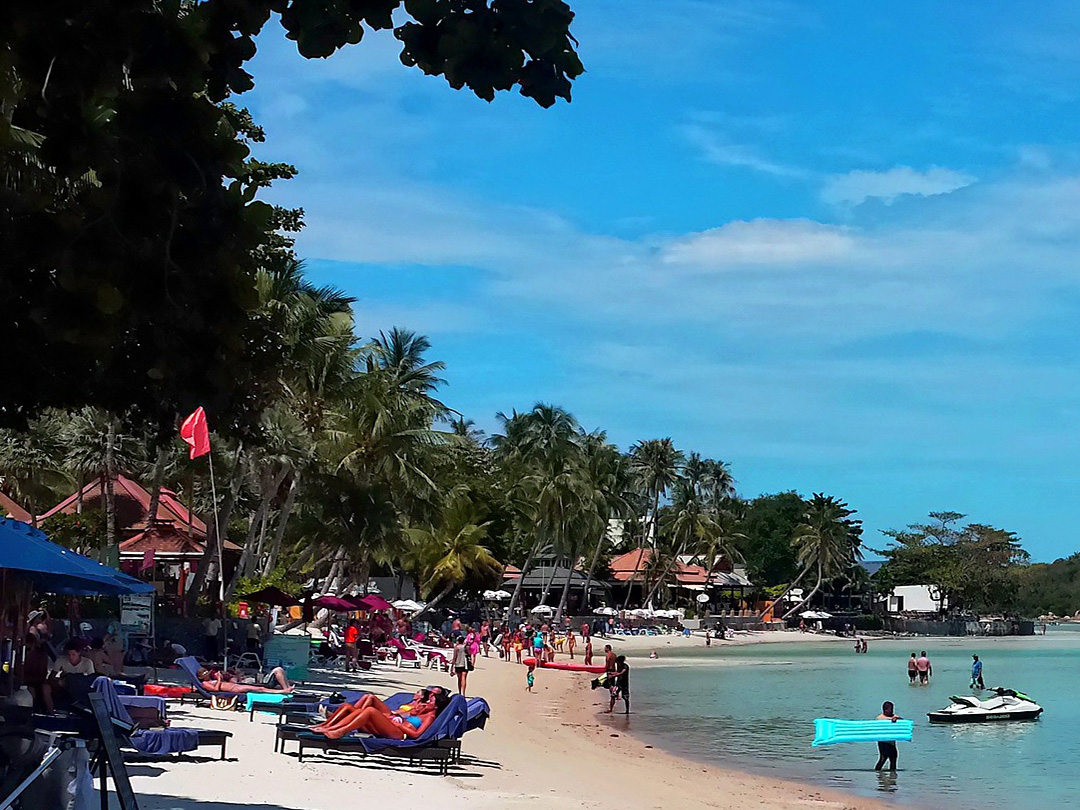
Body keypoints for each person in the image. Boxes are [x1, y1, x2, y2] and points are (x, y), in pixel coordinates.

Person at [311, 688, 449, 741]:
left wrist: (399, 726)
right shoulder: (425, 710)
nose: (428, 701)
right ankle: (328, 726)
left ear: (436, 706)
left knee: (370, 710)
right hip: (394, 727)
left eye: (431, 700)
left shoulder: (430, 717)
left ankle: (340, 731)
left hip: (400, 734)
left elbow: (417, 735)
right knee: (350, 707)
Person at [196, 665, 294, 695]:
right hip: (235, 689)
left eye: (207, 673)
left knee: (260, 688)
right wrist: (218, 679)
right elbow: (216, 690)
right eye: (205, 675)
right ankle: (283, 691)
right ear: (202, 678)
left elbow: (227, 682)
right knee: (260, 689)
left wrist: (232, 675)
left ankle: (285, 690)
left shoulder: (211, 680)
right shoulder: (205, 683)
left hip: (236, 685)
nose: (207, 676)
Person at [874, 701, 902, 771]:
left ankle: (892, 776)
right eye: (890, 709)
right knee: (883, 758)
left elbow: (903, 722)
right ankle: (877, 774)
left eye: (892, 709)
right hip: (883, 743)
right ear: (885, 709)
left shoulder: (895, 717)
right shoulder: (880, 718)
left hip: (892, 743)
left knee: (893, 758)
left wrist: (897, 719)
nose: (892, 710)